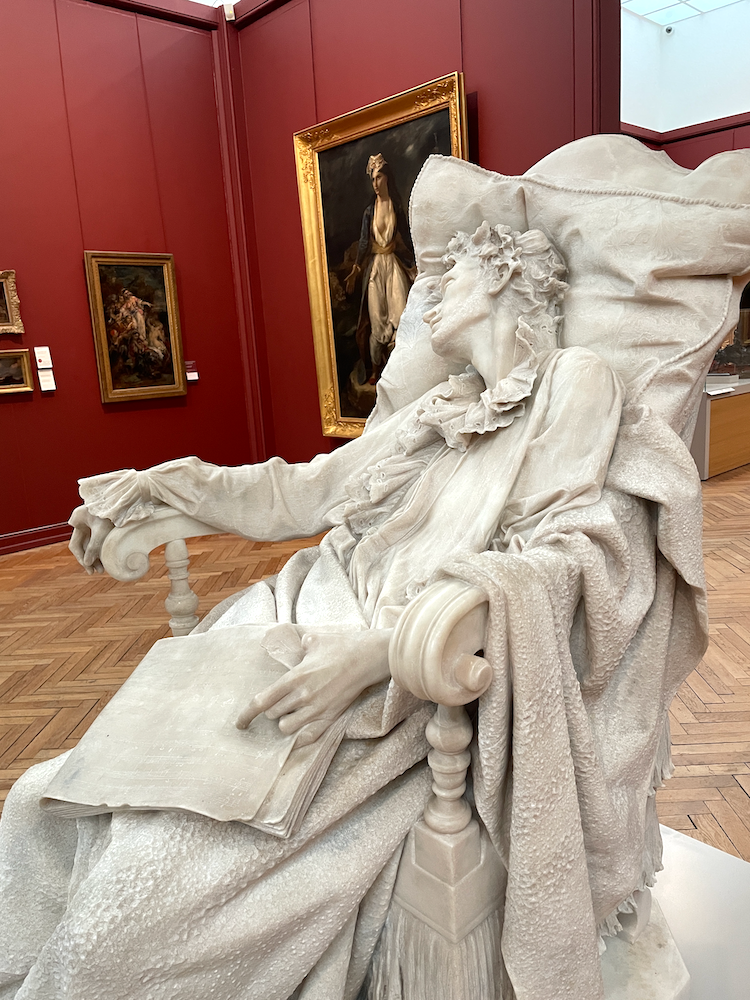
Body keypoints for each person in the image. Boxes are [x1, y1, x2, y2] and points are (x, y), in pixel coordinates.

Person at [0, 222, 629, 1000]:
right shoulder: (441, 402)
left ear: (501, 280)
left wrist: (380, 652)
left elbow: (559, 556)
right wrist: (158, 484)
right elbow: (301, 491)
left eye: (451, 279)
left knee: (118, 923)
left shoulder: (575, 381)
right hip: (295, 611)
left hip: (394, 667)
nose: (427, 296)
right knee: (37, 804)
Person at [345, 154, 415, 384]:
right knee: (377, 319)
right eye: (372, 179)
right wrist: (356, 269)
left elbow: (406, 236)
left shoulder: (395, 207)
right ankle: (376, 369)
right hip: (376, 269)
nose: (375, 183)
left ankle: (399, 369)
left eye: (379, 177)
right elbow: (364, 242)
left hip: (393, 266)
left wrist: (415, 263)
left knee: (400, 315)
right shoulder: (369, 211)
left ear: (387, 178)